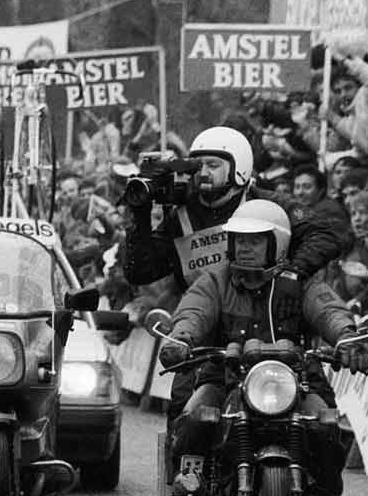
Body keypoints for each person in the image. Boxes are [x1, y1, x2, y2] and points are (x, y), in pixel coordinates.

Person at [157, 200, 368, 496]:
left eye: (255, 241)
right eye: (240, 240)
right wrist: (181, 338)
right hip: (225, 376)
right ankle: (190, 491)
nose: (245, 247)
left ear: (278, 244)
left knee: (326, 425)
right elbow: (193, 311)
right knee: (194, 417)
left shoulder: (298, 283)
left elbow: (328, 309)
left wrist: (348, 337)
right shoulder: (214, 280)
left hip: (294, 381)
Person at [122, 125, 351, 432]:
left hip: (279, 327)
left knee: (325, 420)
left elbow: (328, 236)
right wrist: (139, 214)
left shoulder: (269, 205)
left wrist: (292, 274)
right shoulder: (182, 217)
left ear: (239, 168)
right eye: (197, 166)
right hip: (207, 339)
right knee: (185, 415)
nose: (203, 173)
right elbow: (139, 271)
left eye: (213, 165)